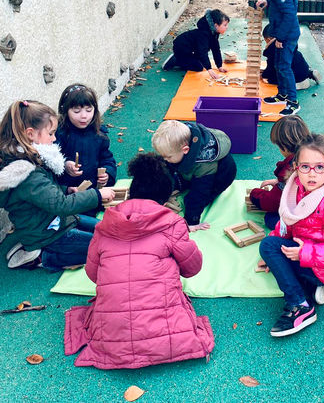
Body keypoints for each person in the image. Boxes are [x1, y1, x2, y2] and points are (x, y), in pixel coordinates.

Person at [64, 153, 214, 369]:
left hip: (112, 334)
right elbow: (192, 268)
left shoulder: (104, 225)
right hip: (164, 334)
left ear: (130, 194)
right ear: (164, 200)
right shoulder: (172, 224)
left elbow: (92, 274)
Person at [259, 134, 324, 337]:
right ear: (296, 166)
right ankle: (314, 285)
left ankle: (301, 305)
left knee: (268, 245)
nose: (311, 174)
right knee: (272, 223)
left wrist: (304, 254)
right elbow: (290, 220)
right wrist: (275, 258)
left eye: (319, 167)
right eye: (305, 167)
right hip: (309, 244)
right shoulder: (298, 186)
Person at [0, 100, 115, 270]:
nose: (54, 139)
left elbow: (42, 194)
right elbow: (61, 205)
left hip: (55, 222)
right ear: (30, 134)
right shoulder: (27, 172)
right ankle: (39, 256)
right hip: (48, 234)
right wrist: (97, 195)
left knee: (107, 231)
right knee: (107, 249)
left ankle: (29, 245)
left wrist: (66, 189)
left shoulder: (29, 156)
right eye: (51, 133)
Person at [152, 120, 236, 231]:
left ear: (185, 150)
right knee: (173, 178)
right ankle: (183, 180)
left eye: (168, 157)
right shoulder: (178, 146)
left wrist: (191, 222)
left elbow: (200, 193)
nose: (165, 159)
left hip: (219, 177)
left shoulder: (204, 165)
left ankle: (193, 215)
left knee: (193, 199)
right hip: (191, 166)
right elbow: (169, 166)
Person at [56, 84, 117, 213]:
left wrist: (108, 174)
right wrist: (65, 165)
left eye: (89, 110)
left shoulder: (99, 134)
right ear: (65, 110)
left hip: (94, 193)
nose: (84, 116)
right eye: (76, 111)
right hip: (69, 195)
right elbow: (50, 162)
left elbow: (107, 159)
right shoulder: (59, 134)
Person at [256, 0, 302, 116]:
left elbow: (289, 15)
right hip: (284, 33)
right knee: (278, 64)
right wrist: (268, 2)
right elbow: (280, 4)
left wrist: (281, 38)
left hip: (287, 36)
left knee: (284, 66)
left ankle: (293, 102)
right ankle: (282, 95)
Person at [249, 115, 310, 231]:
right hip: (314, 209)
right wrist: (278, 181)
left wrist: (255, 194)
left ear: (285, 147)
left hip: (303, 216)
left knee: (270, 218)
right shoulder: (311, 158)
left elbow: (273, 202)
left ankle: (296, 230)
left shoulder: (290, 170)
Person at [162, 9, 230, 80]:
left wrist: (219, 66)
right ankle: (175, 59)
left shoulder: (213, 33)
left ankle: (184, 59)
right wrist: (209, 69)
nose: (227, 27)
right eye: (225, 25)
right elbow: (202, 52)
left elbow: (216, 49)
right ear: (216, 25)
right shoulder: (203, 35)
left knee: (201, 60)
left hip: (192, 48)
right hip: (181, 47)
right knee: (198, 67)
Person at [261, 25, 322, 90]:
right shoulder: (288, 41)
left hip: (296, 76)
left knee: (275, 78)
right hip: (304, 69)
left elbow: (271, 68)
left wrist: (265, 76)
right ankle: (310, 73)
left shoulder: (272, 50)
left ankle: (300, 83)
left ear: (268, 39)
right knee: (295, 62)